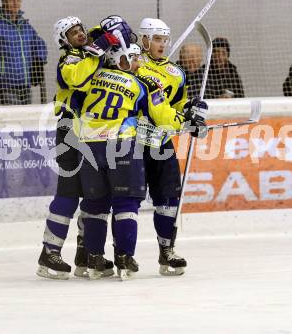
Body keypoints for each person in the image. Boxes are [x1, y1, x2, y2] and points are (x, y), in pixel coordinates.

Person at [75, 42, 197, 280]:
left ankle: (92, 259)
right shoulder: (141, 84)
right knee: (126, 204)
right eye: (133, 58)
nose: (138, 63)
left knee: (95, 205)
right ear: (122, 58)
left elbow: (77, 103)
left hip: (89, 145)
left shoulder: (92, 76)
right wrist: (187, 120)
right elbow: (164, 117)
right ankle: (123, 257)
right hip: (123, 144)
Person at [36, 15, 130, 280]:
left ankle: (85, 253)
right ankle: (49, 252)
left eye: (80, 29)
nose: (78, 33)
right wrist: (98, 46)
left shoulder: (91, 52)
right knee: (68, 193)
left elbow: (115, 40)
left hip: (94, 133)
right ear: (62, 41)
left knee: (95, 194)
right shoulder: (70, 60)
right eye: (71, 33)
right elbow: (78, 79)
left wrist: (113, 29)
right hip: (70, 132)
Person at [137, 18, 208, 275]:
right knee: (125, 201)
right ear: (144, 39)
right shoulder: (132, 64)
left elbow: (179, 106)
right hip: (131, 142)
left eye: (165, 39)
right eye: (157, 39)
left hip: (161, 142)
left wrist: (191, 111)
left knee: (168, 199)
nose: (163, 44)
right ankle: (119, 253)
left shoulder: (176, 73)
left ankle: (167, 251)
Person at [0, 0, 48, 105]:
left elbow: (39, 43)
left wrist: (38, 60)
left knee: (25, 121)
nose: (15, 3)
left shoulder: (24, 25)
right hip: (5, 86)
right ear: (3, 1)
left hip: (25, 85)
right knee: (11, 122)